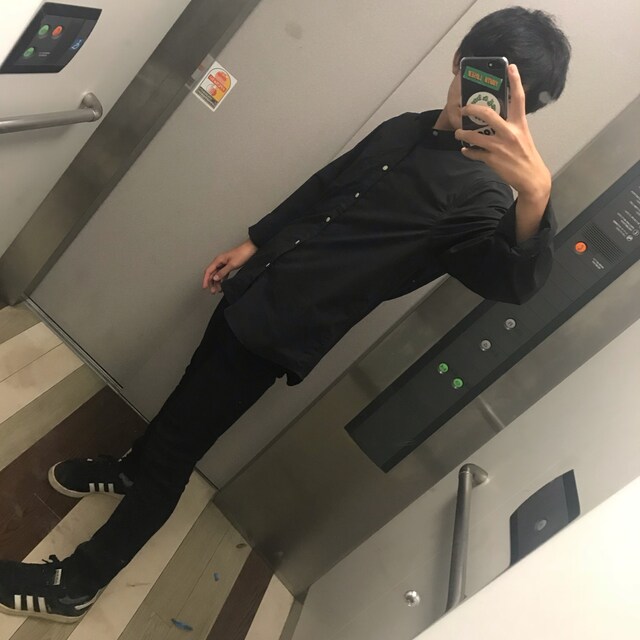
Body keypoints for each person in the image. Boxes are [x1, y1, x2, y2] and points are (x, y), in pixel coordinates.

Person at [0, 6, 570, 623]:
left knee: (178, 451)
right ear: (460, 61)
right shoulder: (404, 126)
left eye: (507, 98)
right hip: (255, 285)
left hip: (280, 334)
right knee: (184, 400)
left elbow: (511, 282)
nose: (483, 100)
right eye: (483, 75)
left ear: (521, 112)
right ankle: (128, 471)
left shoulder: (485, 197)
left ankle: (78, 583)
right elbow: (324, 187)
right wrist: (255, 242)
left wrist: (535, 195)